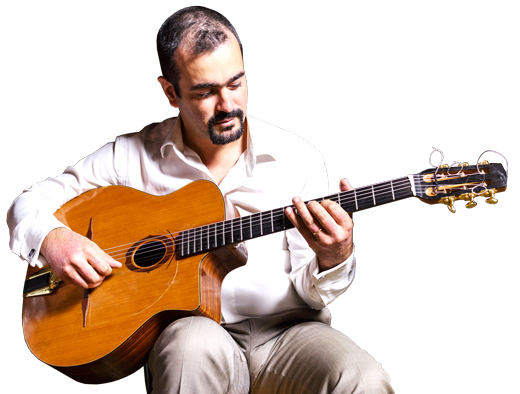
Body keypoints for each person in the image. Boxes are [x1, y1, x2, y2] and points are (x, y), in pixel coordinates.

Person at [7, 6, 394, 394]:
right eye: (206, 92)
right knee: (189, 348)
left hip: (288, 333)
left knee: (364, 379)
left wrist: (335, 255)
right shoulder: (131, 156)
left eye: (236, 83)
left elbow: (316, 291)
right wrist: (55, 239)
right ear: (171, 92)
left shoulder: (298, 158)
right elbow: (28, 203)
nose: (227, 105)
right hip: (193, 332)